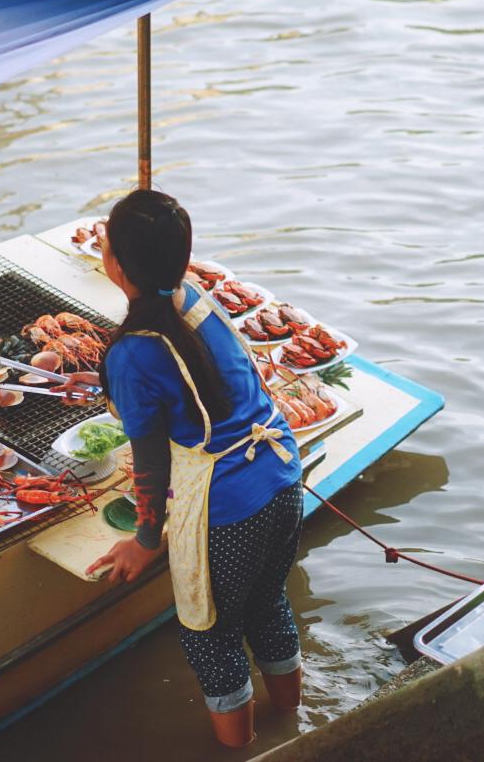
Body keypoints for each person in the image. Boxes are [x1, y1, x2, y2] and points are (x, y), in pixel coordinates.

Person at [62, 190, 304, 748]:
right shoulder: (195, 298)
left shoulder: (130, 353)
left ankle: (241, 751)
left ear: (116, 264)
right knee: (267, 602)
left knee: (211, 637)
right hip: (283, 473)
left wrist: (146, 540)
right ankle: (293, 728)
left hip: (230, 506)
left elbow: (149, 463)